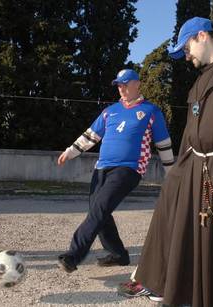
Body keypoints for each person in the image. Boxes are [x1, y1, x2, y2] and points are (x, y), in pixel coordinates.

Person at [118, 17, 213, 307]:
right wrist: (178, 171)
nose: (186, 55)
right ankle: (166, 285)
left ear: (202, 35)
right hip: (197, 166)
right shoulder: (201, 79)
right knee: (175, 217)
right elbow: (193, 130)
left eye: (187, 47)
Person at [57, 69, 175, 273]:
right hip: (101, 168)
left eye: (125, 83)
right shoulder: (110, 111)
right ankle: (119, 254)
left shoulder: (151, 111)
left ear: (137, 84)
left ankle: (73, 255)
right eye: (119, 85)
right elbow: (91, 135)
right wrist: (70, 151)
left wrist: (170, 172)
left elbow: (163, 143)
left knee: (99, 209)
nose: (121, 88)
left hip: (129, 169)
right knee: (100, 211)